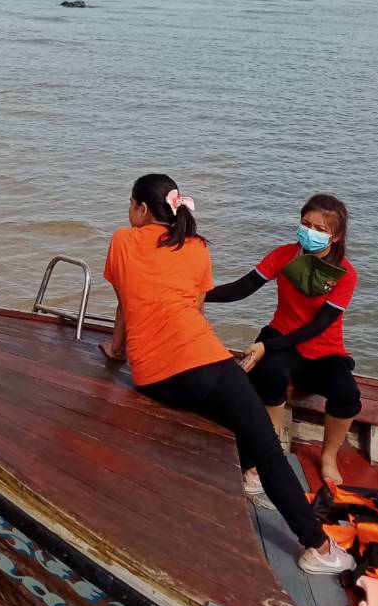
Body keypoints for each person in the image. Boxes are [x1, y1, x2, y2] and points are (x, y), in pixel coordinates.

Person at [101, 173, 353, 575]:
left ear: (141, 209)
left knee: (240, 418)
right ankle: (319, 547)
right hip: (199, 358)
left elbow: (125, 306)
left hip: (150, 374)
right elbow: (196, 310)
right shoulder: (198, 248)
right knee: (267, 441)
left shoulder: (120, 240)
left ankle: (251, 470)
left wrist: (116, 352)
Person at [206, 194, 358, 491]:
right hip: (281, 337)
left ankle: (328, 457)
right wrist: (201, 295)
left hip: (322, 348)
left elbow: (319, 325)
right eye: (305, 223)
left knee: (347, 394)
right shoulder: (285, 255)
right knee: (270, 374)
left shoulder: (345, 274)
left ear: (336, 236)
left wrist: (265, 347)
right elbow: (244, 286)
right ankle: (269, 446)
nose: (309, 231)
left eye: (319, 228)